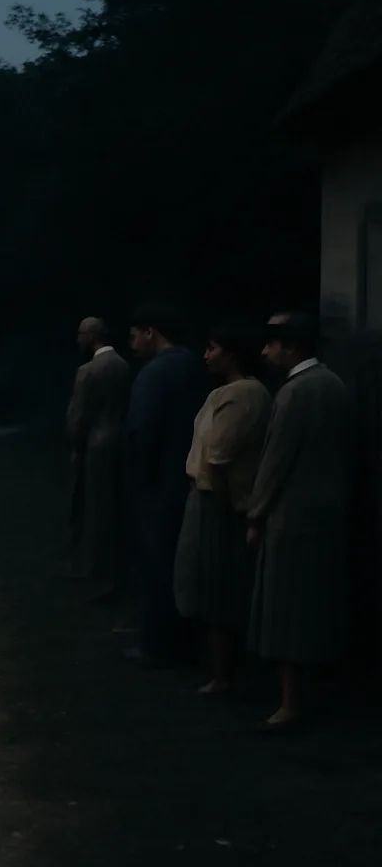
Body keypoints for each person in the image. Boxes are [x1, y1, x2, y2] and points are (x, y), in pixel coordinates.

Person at [246, 311, 351, 731]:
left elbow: (275, 461)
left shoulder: (294, 393)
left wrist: (256, 514)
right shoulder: (336, 385)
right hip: (330, 512)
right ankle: (315, 690)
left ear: (291, 347)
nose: (265, 351)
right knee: (316, 605)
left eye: (272, 343)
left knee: (286, 608)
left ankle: (290, 701)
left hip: (292, 516)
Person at [173, 320, 272, 694]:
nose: (206, 355)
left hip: (218, 500)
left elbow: (218, 455)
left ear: (231, 353)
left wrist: (216, 499)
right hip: (211, 496)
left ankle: (223, 675)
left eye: (213, 348)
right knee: (210, 585)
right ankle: (220, 669)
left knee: (216, 588)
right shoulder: (230, 392)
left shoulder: (243, 394)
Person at [124, 302, 207, 668]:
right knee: (183, 562)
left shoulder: (153, 374)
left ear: (150, 332)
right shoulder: (194, 365)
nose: (131, 341)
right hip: (190, 477)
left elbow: (142, 432)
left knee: (156, 563)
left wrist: (137, 479)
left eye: (134, 333)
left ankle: (156, 644)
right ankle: (187, 638)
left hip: (158, 483)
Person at [65, 317, 133, 596]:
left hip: (96, 444)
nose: (78, 339)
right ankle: (115, 573)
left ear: (92, 336)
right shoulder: (124, 366)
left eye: (81, 334)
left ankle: (97, 572)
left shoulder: (88, 370)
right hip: (120, 442)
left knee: (94, 509)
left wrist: (74, 445)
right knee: (115, 510)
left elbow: (78, 417)